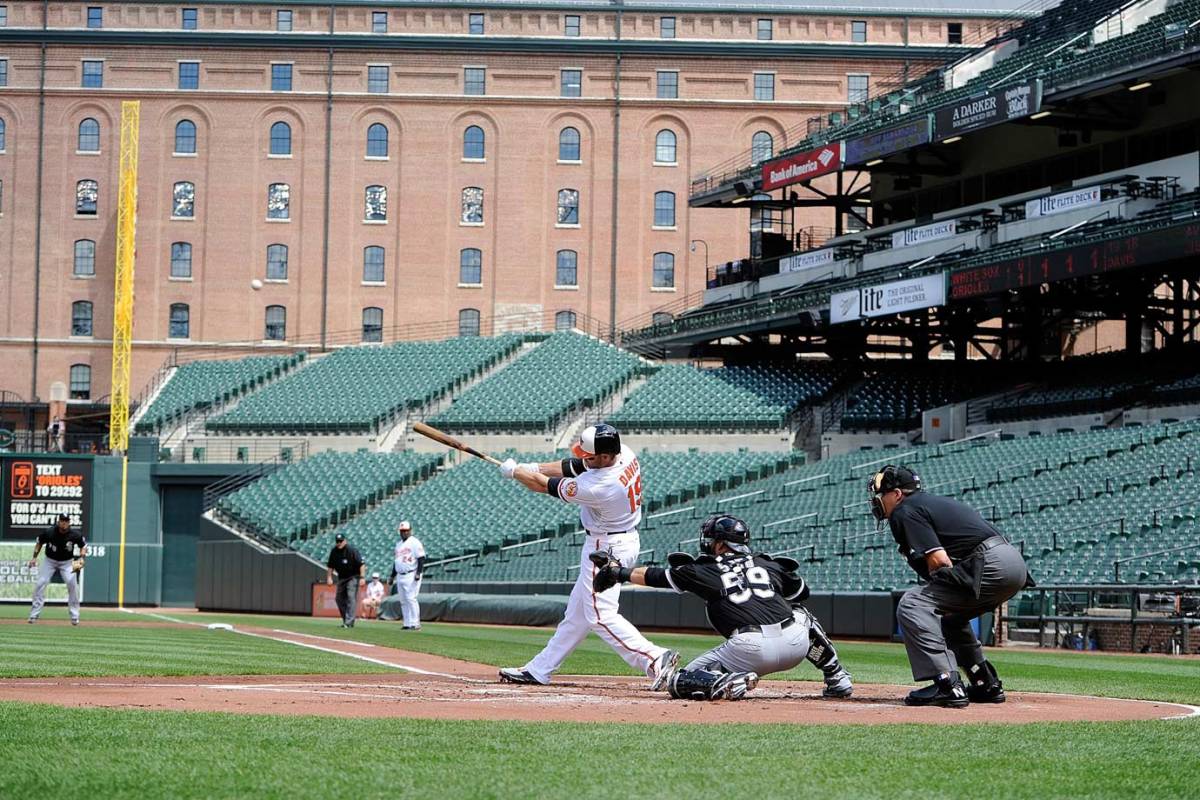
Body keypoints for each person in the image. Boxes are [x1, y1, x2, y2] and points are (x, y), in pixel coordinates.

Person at [592, 514, 853, 701]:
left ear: (720, 543)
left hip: (748, 651)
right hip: (795, 646)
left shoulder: (705, 569)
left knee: (682, 679)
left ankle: (731, 681)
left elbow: (655, 576)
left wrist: (619, 572)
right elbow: (801, 592)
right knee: (800, 614)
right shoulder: (767, 563)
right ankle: (837, 677)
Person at [496, 423, 678, 688]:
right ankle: (539, 669)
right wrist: (531, 466)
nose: (585, 459)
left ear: (605, 456)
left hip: (604, 547)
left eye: (590, 456)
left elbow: (543, 486)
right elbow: (572, 465)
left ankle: (654, 657)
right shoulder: (622, 452)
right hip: (621, 537)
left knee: (600, 615)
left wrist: (516, 473)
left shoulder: (600, 485)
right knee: (578, 614)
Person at [870, 465, 1032, 708]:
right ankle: (984, 683)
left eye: (882, 495)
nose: (879, 501)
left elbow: (940, 561)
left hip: (989, 564)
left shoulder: (905, 510)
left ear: (897, 494)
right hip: (1012, 563)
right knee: (951, 618)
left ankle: (946, 684)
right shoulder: (930, 503)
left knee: (913, 604)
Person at [28, 513, 86, 625]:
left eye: (66, 520)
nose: (64, 523)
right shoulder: (49, 532)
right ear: (58, 522)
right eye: (62, 520)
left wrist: (82, 558)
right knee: (40, 583)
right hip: (49, 560)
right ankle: (33, 615)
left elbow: (83, 546)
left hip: (68, 562)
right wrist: (34, 558)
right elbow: (39, 543)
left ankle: (75, 616)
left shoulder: (75, 534)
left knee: (72, 584)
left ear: (69, 522)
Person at [390, 520, 426, 630]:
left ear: (410, 530)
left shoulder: (415, 542)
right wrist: (392, 576)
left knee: (411, 599)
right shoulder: (398, 545)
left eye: (406, 530)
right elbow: (396, 562)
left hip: (411, 573)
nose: (404, 533)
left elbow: (421, 558)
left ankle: (415, 623)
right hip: (400, 575)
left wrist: (418, 573)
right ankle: (407, 623)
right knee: (403, 600)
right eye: (402, 531)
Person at [325, 533, 365, 628]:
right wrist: (329, 577)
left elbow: (361, 564)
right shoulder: (334, 551)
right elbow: (330, 566)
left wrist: (362, 577)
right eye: (337, 541)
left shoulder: (351, 550)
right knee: (338, 599)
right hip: (342, 578)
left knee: (351, 598)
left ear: (345, 541)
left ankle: (348, 622)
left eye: (341, 541)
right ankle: (346, 620)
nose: (339, 543)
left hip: (353, 577)